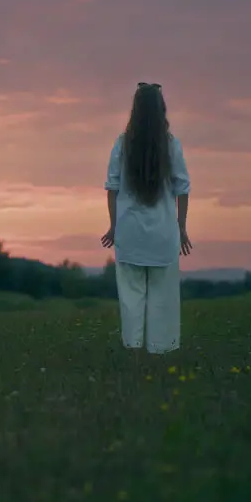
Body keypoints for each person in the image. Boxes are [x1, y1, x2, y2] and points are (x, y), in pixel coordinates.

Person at [100, 82, 191, 354]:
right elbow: (182, 188)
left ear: (135, 111)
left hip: (129, 233)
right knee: (163, 299)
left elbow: (112, 187)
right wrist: (182, 228)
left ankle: (133, 353)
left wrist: (114, 226)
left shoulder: (122, 144)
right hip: (163, 234)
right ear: (161, 109)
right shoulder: (172, 145)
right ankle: (159, 353)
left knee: (131, 297)